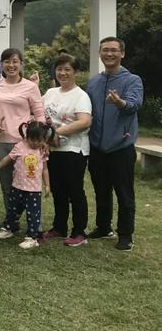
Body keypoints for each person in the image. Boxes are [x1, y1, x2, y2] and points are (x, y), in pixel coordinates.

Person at [86, 37, 143, 251]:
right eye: (105, 50)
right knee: (101, 190)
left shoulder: (132, 80)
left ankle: (126, 234)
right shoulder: (94, 81)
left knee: (124, 193)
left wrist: (121, 103)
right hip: (97, 147)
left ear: (122, 54)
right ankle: (103, 227)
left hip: (121, 147)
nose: (109, 54)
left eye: (113, 50)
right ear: (99, 53)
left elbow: (135, 103)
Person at [0, 48, 46, 221]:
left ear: (21, 64)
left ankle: (34, 222)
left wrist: (38, 139)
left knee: (28, 185)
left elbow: (39, 114)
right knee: (6, 186)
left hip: (25, 143)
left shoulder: (30, 86)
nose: (11, 65)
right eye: (7, 62)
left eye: (15, 61)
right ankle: (11, 221)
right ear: (1, 65)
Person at [40, 54, 92, 247]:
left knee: (74, 191)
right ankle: (59, 227)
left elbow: (85, 121)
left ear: (75, 72)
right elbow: (38, 111)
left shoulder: (81, 96)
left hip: (73, 150)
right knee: (58, 190)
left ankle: (79, 231)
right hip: (54, 150)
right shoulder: (51, 92)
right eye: (59, 69)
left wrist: (56, 131)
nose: (62, 73)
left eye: (67, 69)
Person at [0, 121, 53, 250]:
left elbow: (45, 169)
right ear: (26, 136)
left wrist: (47, 185)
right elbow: (8, 158)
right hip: (17, 186)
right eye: (32, 140)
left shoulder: (42, 151)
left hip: (34, 190)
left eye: (38, 140)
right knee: (13, 210)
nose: (35, 143)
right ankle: (9, 228)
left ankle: (32, 237)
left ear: (43, 139)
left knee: (33, 214)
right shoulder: (20, 146)